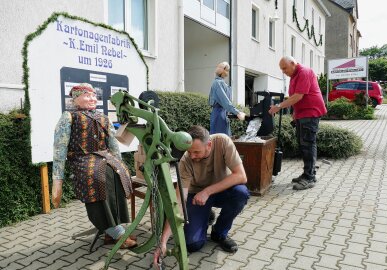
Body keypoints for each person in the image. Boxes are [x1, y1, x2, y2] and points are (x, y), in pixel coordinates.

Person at [51, 83, 136, 248]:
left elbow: (113, 144)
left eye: (93, 95)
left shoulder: (103, 117)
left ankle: (113, 229)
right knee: (97, 178)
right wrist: (57, 180)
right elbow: (59, 148)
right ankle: (116, 232)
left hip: (104, 157)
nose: (92, 98)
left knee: (118, 173)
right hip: (82, 158)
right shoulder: (69, 117)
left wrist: (120, 163)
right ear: (76, 99)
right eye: (87, 95)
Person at [153, 125, 249, 266]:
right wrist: (163, 242)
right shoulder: (185, 161)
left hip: (220, 191)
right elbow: (178, 202)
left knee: (241, 193)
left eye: (196, 152)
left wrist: (207, 191)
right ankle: (205, 215)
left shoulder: (222, 142)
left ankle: (219, 232)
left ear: (209, 145)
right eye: (189, 152)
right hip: (196, 197)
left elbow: (241, 176)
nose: (192, 156)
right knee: (193, 245)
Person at [269, 56, 327, 190]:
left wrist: (278, 106)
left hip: (310, 112)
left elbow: (298, 96)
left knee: (308, 144)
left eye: (284, 68)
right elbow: (297, 99)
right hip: (303, 114)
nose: (283, 71)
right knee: (304, 145)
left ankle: (310, 177)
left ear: (293, 63)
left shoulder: (304, 72)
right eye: (281, 69)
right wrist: (295, 115)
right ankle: (308, 173)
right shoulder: (295, 76)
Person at [209, 61, 246, 135]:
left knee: (224, 140)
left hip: (223, 113)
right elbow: (225, 101)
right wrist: (237, 112)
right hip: (219, 115)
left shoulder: (222, 83)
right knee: (219, 140)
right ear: (222, 70)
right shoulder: (217, 83)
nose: (228, 72)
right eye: (227, 70)